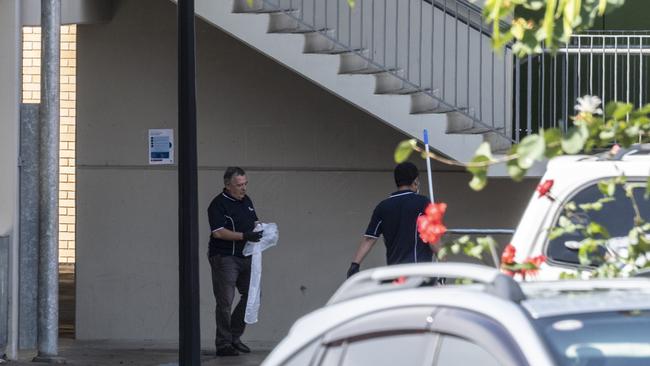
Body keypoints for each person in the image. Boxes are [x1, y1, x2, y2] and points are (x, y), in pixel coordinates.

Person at [207, 167, 263, 357]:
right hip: (225, 257)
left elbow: (255, 222)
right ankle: (223, 344)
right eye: (239, 185)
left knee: (252, 294)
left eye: (245, 184)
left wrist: (262, 230)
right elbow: (218, 232)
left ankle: (234, 336)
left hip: (246, 255)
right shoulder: (218, 204)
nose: (244, 188)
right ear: (228, 185)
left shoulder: (246, 201)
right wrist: (243, 236)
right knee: (225, 301)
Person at [347, 162, 433, 278]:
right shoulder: (423, 203)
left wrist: (355, 265)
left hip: (395, 274)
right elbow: (433, 237)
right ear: (416, 180)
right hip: (420, 273)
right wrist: (443, 263)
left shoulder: (382, 207)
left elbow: (369, 239)